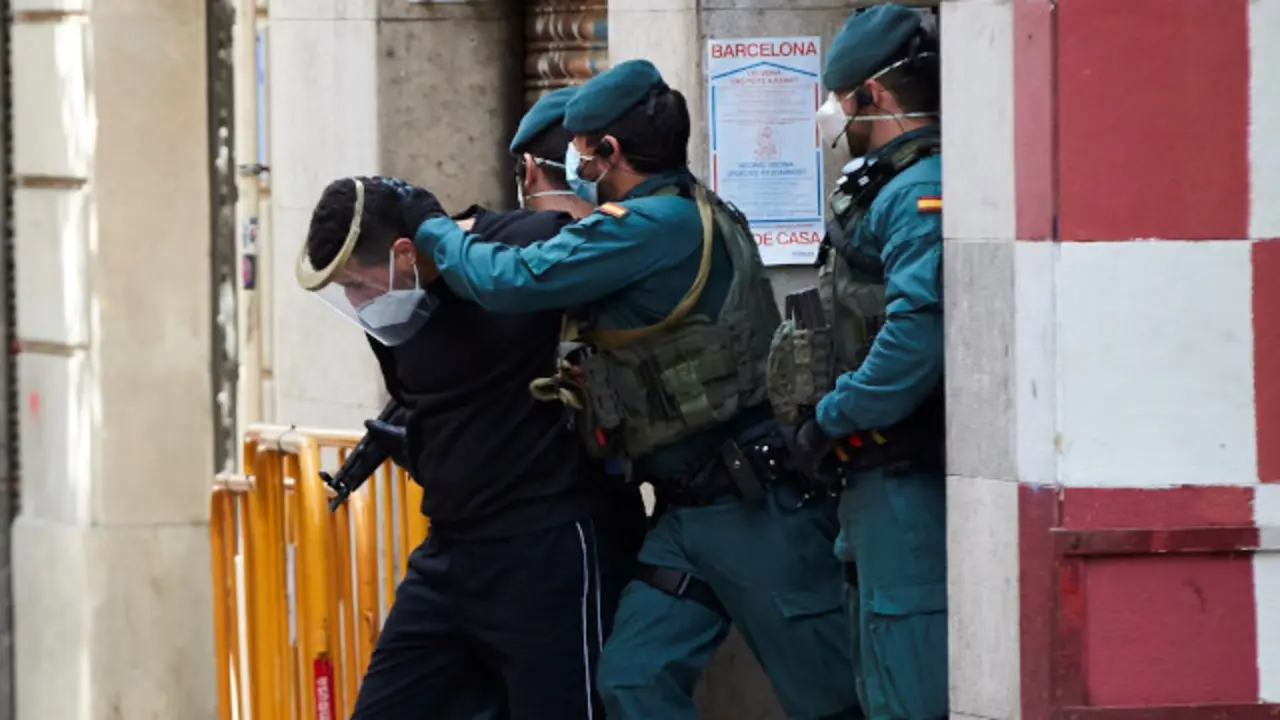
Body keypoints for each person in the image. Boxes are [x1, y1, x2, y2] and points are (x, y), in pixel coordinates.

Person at [407, 59, 860, 720]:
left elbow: (510, 279)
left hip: (752, 512)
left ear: (610, 152)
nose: (575, 165)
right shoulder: (686, 210)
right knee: (633, 680)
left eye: (580, 151)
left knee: (830, 699)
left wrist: (432, 227)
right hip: (685, 514)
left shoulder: (648, 228)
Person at [296, 91, 645, 720]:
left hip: (549, 546)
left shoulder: (528, 247)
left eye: (356, 283)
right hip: (450, 552)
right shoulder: (397, 315)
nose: (357, 303)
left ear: (405, 253)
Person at [768, 5, 947, 719]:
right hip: (867, 477)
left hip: (901, 470)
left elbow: (914, 340)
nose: (831, 115)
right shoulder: (887, 184)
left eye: (838, 99)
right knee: (877, 678)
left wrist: (833, 416)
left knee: (910, 683)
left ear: (871, 95)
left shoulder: (917, 190)